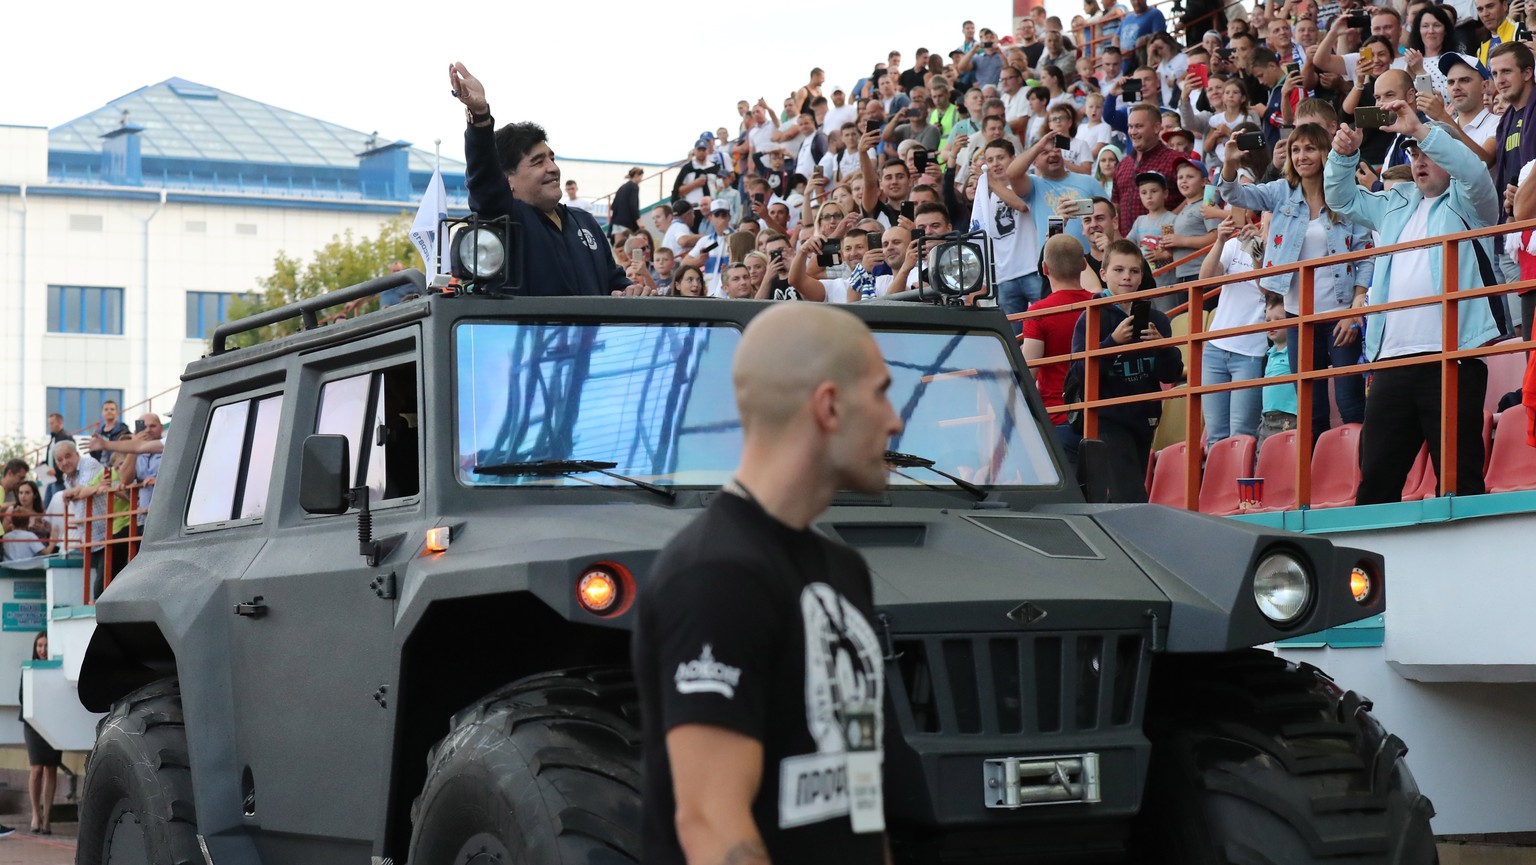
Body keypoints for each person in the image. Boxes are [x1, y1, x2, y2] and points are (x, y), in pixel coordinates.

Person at [632, 303, 898, 865]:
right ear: (828, 406)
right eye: (880, 392)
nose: (894, 419)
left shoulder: (844, 569)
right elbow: (710, 822)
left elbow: (860, 797)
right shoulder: (717, 577)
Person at [1326, 100, 1501, 503]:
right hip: (1393, 361)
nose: (1419, 162)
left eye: (1428, 155)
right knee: (1375, 482)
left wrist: (1423, 130)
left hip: (1452, 357)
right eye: (1414, 155)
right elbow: (1341, 200)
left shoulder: (1471, 202)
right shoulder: (1394, 203)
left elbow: (1474, 171)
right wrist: (1343, 155)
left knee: (1459, 480)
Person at [1218, 122, 1374, 443]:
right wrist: (1231, 165)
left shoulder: (1346, 195)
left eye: (1310, 148)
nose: (1302, 156)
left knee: (1350, 402)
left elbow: (1364, 253)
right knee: (1311, 408)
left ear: (1325, 153)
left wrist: (1357, 305)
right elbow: (1236, 194)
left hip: (1340, 315)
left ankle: (1359, 480)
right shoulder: (1281, 191)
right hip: (1297, 317)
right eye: (1296, 149)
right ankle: (1316, 483)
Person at [449, 62, 635, 297]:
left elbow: (614, 281)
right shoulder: (507, 220)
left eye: (552, 158)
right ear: (508, 181)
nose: (553, 168)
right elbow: (483, 178)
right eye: (538, 162)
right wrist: (480, 116)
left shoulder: (586, 222)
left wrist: (630, 290)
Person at [1069, 239, 1185, 502]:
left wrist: (1162, 346)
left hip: (1144, 417)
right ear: (1103, 273)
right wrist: (1112, 343)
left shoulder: (1157, 319)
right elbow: (1079, 372)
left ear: (1141, 275)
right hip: (1108, 419)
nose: (1126, 278)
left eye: (1133, 271)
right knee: (1131, 495)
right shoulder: (1092, 315)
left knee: (1122, 496)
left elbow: (1171, 373)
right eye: (1119, 270)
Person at [1023, 235, 1098, 475]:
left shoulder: (1038, 312)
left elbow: (1028, 371)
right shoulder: (1099, 304)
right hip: (1100, 415)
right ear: (1085, 265)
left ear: (1044, 269)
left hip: (1058, 416)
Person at [1198, 212, 1272, 442]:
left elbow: (1267, 290)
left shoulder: (1282, 251)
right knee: (1215, 435)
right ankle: (1218, 480)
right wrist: (1220, 240)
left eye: (1271, 220)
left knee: (1242, 434)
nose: (1265, 224)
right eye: (1265, 218)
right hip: (1215, 347)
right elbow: (1204, 281)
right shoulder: (1233, 245)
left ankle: (1240, 480)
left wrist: (1257, 253)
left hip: (1251, 351)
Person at [21, 632, 59, 835]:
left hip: (53, 723)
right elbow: (22, 697)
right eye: (39, 646)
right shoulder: (29, 668)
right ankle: (36, 813)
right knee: (36, 769)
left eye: (45, 646)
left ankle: (47, 818)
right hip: (32, 724)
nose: (42, 650)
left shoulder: (57, 668)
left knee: (51, 769)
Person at [611, 167, 643, 235]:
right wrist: (638, 220)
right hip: (627, 223)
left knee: (618, 245)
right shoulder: (634, 187)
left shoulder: (622, 187)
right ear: (636, 175)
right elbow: (633, 204)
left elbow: (613, 205)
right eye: (641, 177)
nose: (641, 179)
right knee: (630, 244)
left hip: (617, 222)